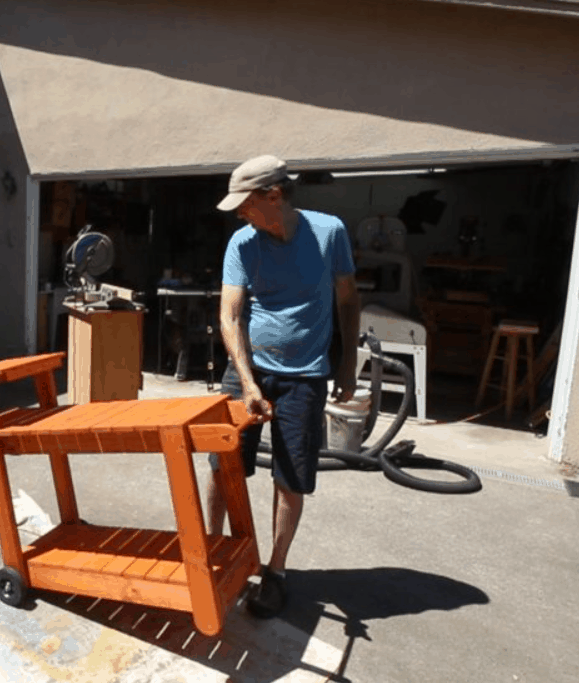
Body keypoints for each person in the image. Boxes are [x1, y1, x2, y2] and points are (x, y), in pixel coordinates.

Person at [205, 154, 360, 619]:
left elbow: (349, 301)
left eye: (245, 204)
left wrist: (348, 365)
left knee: (291, 477)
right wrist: (248, 381)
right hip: (248, 370)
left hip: (307, 376)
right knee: (221, 462)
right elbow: (230, 315)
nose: (239, 213)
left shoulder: (328, 232)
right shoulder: (242, 243)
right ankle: (215, 551)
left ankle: (276, 571)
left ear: (274, 196)